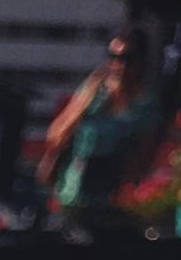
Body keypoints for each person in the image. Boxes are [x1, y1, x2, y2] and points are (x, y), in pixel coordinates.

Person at [39, 29, 162, 223]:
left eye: (126, 58)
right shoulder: (94, 92)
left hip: (112, 196)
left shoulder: (145, 106)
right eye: (113, 57)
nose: (118, 65)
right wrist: (82, 106)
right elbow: (56, 136)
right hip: (73, 190)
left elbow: (144, 157)